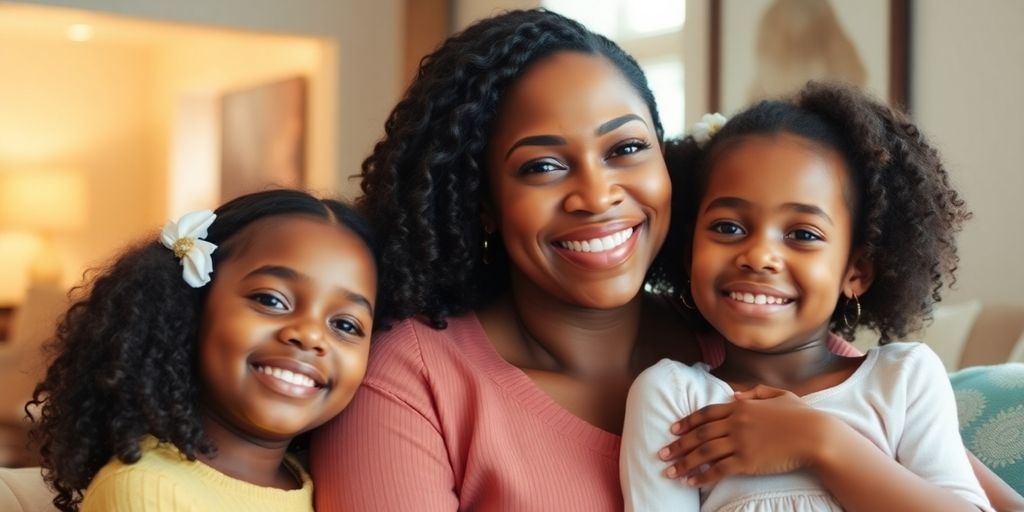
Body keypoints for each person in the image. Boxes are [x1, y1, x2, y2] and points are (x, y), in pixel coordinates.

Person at [312, 9, 1021, 511]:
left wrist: (824, 446)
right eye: (542, 166)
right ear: (483, 201)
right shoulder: (411, 380)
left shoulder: (749, 336)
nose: (598, 196)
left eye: (626, 149)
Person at [621, 82, 991, 511]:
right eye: (728, 227)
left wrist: (820, 442)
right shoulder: (674, 397)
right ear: (690, 254)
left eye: (803, 234)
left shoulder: (904, 381)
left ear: (856, 272)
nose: (759, 256)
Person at [27, 190, 379, 512]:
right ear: (190, 306)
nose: (311, 336)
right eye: (271, 300)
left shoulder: (335, 484)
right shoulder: (147, 490)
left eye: (346, 325)